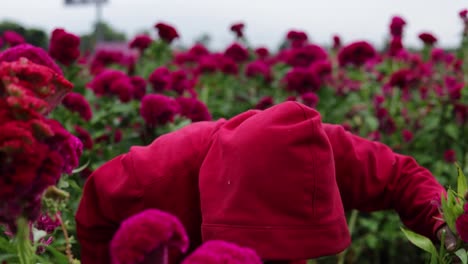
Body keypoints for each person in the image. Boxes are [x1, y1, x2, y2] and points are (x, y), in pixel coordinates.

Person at [75, 101, 455, 264]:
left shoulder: (317, 147)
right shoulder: (156, 174)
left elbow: (400, 176)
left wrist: (445, 225)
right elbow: (93, 215)